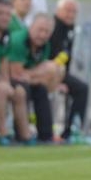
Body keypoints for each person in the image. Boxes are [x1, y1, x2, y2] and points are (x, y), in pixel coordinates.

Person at [8, 13, 59, 142]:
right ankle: (21, 135)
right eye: (39, 30)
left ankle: (46, 136)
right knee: (23, 89)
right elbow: (16, 74)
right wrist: (36, 74)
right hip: (7, 78)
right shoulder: (18, 40)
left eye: (46, 32)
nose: (42, 35)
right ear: (31, 27)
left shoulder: (45, 46)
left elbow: (44, 75)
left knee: (41, 89)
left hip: (27, 79)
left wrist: (31, 75)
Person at [0, 0, 32, 146]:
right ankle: (3, 134)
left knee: (19, 91)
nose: (4, 17)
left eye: (8, 14)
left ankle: (25, 135)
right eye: (0, 13)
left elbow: (4, 61)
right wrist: (2, 82)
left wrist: (7, 81)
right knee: (2, 89)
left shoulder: (6, 35)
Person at [49, 0, 89, 140]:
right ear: (58, 10)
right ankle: (67, 129)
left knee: (82, 88)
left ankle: (72, 127)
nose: (70, 15)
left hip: (61, 73)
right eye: (67, 11)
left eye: (73, 12)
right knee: (81, 88)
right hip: (48, 74)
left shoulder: (69, 29)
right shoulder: (53, 28)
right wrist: (56, 82)